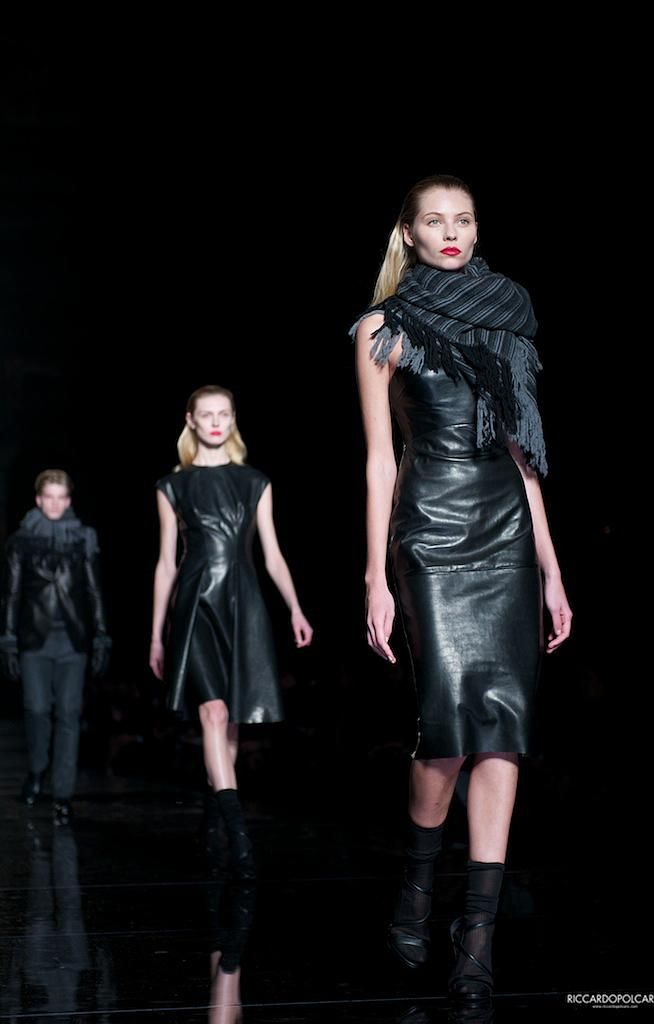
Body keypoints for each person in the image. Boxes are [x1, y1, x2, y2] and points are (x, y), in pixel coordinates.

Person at [350, 176, 572, 1012]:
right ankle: (416, 886)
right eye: (435, 221)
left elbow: (522, 451)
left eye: (464, 220)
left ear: (478, 230)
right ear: (407, 234)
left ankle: (474, 938)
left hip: (505, 526)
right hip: (431, 528)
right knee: (444, 731)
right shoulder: (381, 328)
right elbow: (379, 459)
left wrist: (551, 566)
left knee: (503, 732)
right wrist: (374, 573)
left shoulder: (507, 315)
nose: (451, 232)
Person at [150, 385, 313, 879]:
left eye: (224, 413)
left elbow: (273, 555)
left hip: (244, 600)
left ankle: (215, 816)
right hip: (195, 603)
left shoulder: (255, 481)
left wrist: (295, 607)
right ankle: (239, 836)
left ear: (233, 419)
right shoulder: (172, 486)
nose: (216, 421)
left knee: (232, 721)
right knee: (214, 713)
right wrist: (156, 634)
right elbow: (166, 563)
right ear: (191, 420)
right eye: (207, 414)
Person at [0, 469, 111, 824]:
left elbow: (94, 590)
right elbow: (12, 593)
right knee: (36, 709)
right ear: (38, 499)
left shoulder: (83, 539)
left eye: (60, 497)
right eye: (48, 497)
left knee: (68, 714)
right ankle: (37, 770)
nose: (54, 504)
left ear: (68, 500)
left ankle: (63, 793)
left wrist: (102, 636)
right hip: (34, 638)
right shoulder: (21, 541)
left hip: (73, 641)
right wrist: (8, 640)